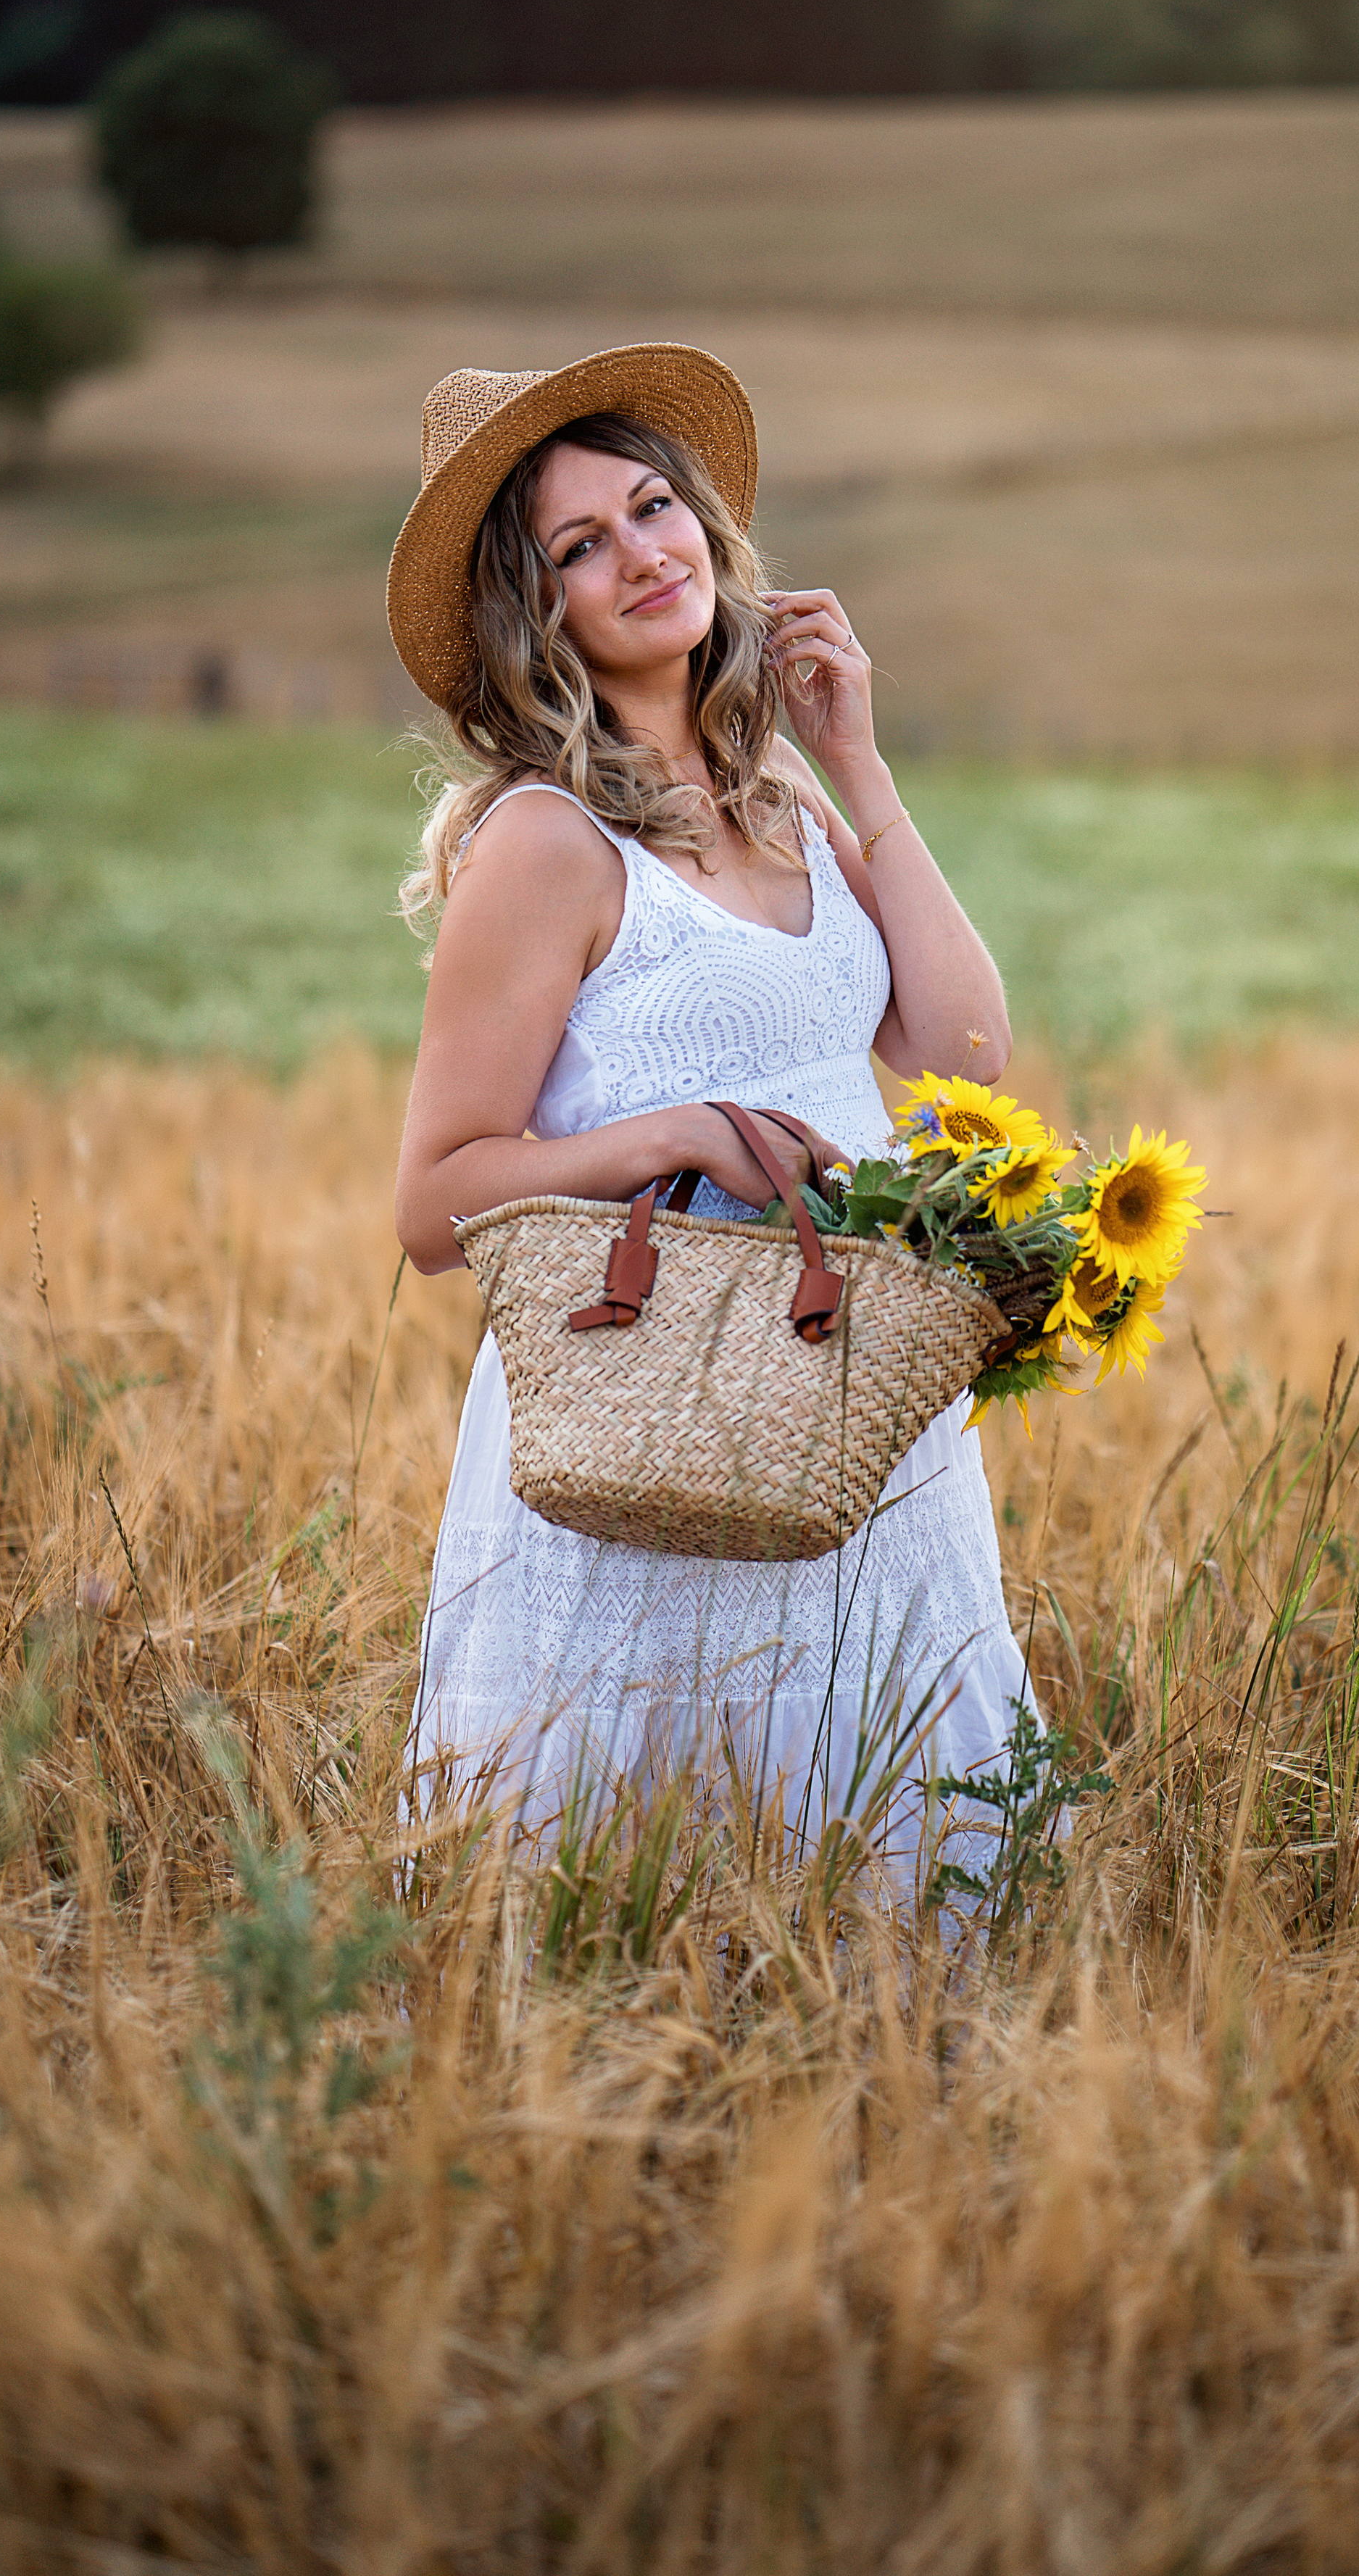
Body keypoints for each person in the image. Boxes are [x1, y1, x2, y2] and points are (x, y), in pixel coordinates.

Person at [386, 344, 1034, 1872]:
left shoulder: (787, 799)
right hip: (649, 1412)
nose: (639, 556)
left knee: (879, 1862)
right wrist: (664, 1137)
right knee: (634, 1890)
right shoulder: (543, 846)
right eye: (576, 548)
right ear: (530, 613)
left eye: (651, 507)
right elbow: (431, 1206)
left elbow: (964, 1045)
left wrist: (856, 762)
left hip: (849, 1401)